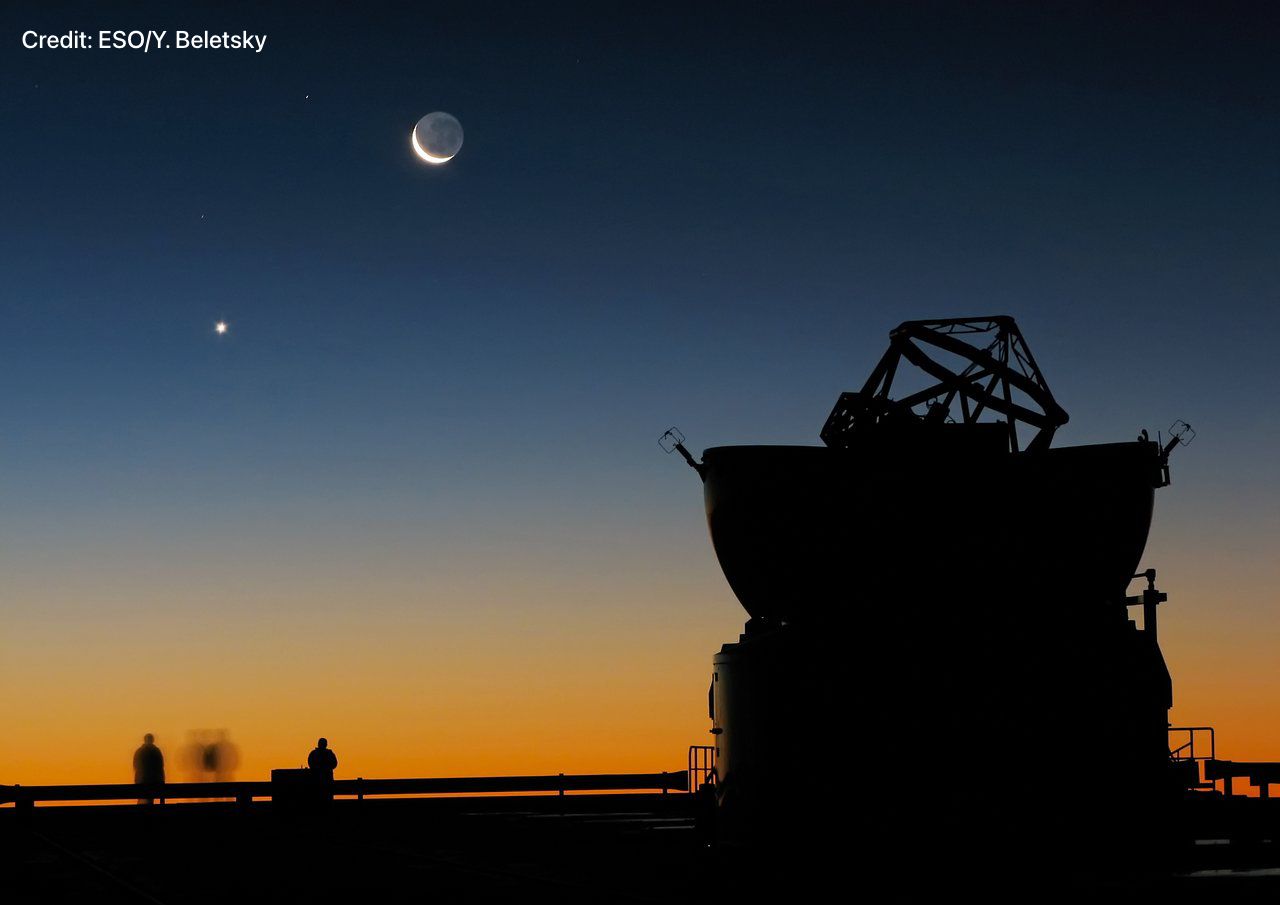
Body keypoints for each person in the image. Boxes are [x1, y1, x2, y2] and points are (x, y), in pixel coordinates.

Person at [133, 733, 166, 805]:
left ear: (144, 740)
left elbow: (136, 767)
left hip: (142, 781)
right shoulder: (156, 751)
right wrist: (162, 781)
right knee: (149, 799)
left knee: (142, 799)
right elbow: (160, 767)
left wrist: (137, 780)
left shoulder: (139, 751)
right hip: (154, 781)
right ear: (152, 740)